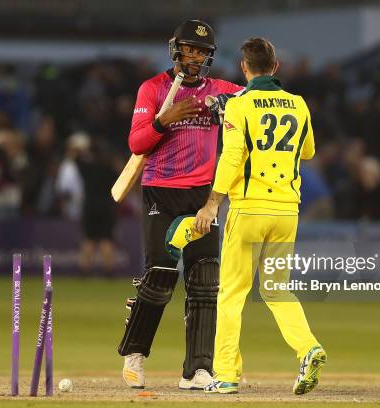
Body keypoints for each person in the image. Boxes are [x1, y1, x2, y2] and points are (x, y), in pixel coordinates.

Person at [193, 37, 326, 395]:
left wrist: (212, 203)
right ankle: (308, 348)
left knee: (232, 294)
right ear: (276, 67)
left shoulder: (240, 104)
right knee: (277, 290)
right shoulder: (298, 105)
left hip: (250, 208)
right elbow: (309, 151)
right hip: (286, 211)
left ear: (244, 68)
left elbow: (232, 157)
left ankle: (226, 375)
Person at [118, 20, 243, 390]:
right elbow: (137, 143)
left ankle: (198, 370)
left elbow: (260, 96)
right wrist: (162, 120)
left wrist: (233, 105)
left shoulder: (220, 89)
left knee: (205, 281)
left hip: (203, 195)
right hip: (161, 191)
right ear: (176, 50)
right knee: (158, 277)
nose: (196, 57)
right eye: (190, 49)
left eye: (202, 51)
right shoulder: (153, 88)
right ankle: (135, 356)